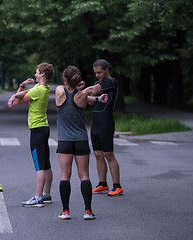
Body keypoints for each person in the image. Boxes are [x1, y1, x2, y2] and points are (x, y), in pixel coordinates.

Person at [56, 66, 108, 220]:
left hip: (64, 140)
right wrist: (95, 95)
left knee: (65, 175)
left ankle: (65, 211)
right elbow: (90, 93)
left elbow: (64, 88)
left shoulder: (59, 91)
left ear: (65, 79)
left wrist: (75, 86)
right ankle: (88, 211)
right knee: (84, 175)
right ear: (78, 80)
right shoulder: (83, 95)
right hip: (81, 140)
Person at [8, 63, 53, 207]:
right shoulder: (43, 88)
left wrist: (16, 94)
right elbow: (21, 95)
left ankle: (38, 197)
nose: (35, 74)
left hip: (37, 129)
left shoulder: (38, 89)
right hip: (44, 127)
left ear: (43, 74)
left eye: (37, 72)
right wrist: (22, 87)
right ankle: (46, 194)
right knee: (46, 163)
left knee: (39, 165)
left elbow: (18, 101)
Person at [89, 59, 123, 197]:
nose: (97, 75)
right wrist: (91, 93)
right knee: (97, 154)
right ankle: (103, 184)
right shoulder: (98, 84)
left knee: (108, 154)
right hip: (95, 123)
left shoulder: (111, 82)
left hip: (106, 123)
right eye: (95, 73)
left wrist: (91, 92)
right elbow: (89, 101)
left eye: (99, 72)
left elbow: (90, 93)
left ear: (106, 70)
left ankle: (117, 186)